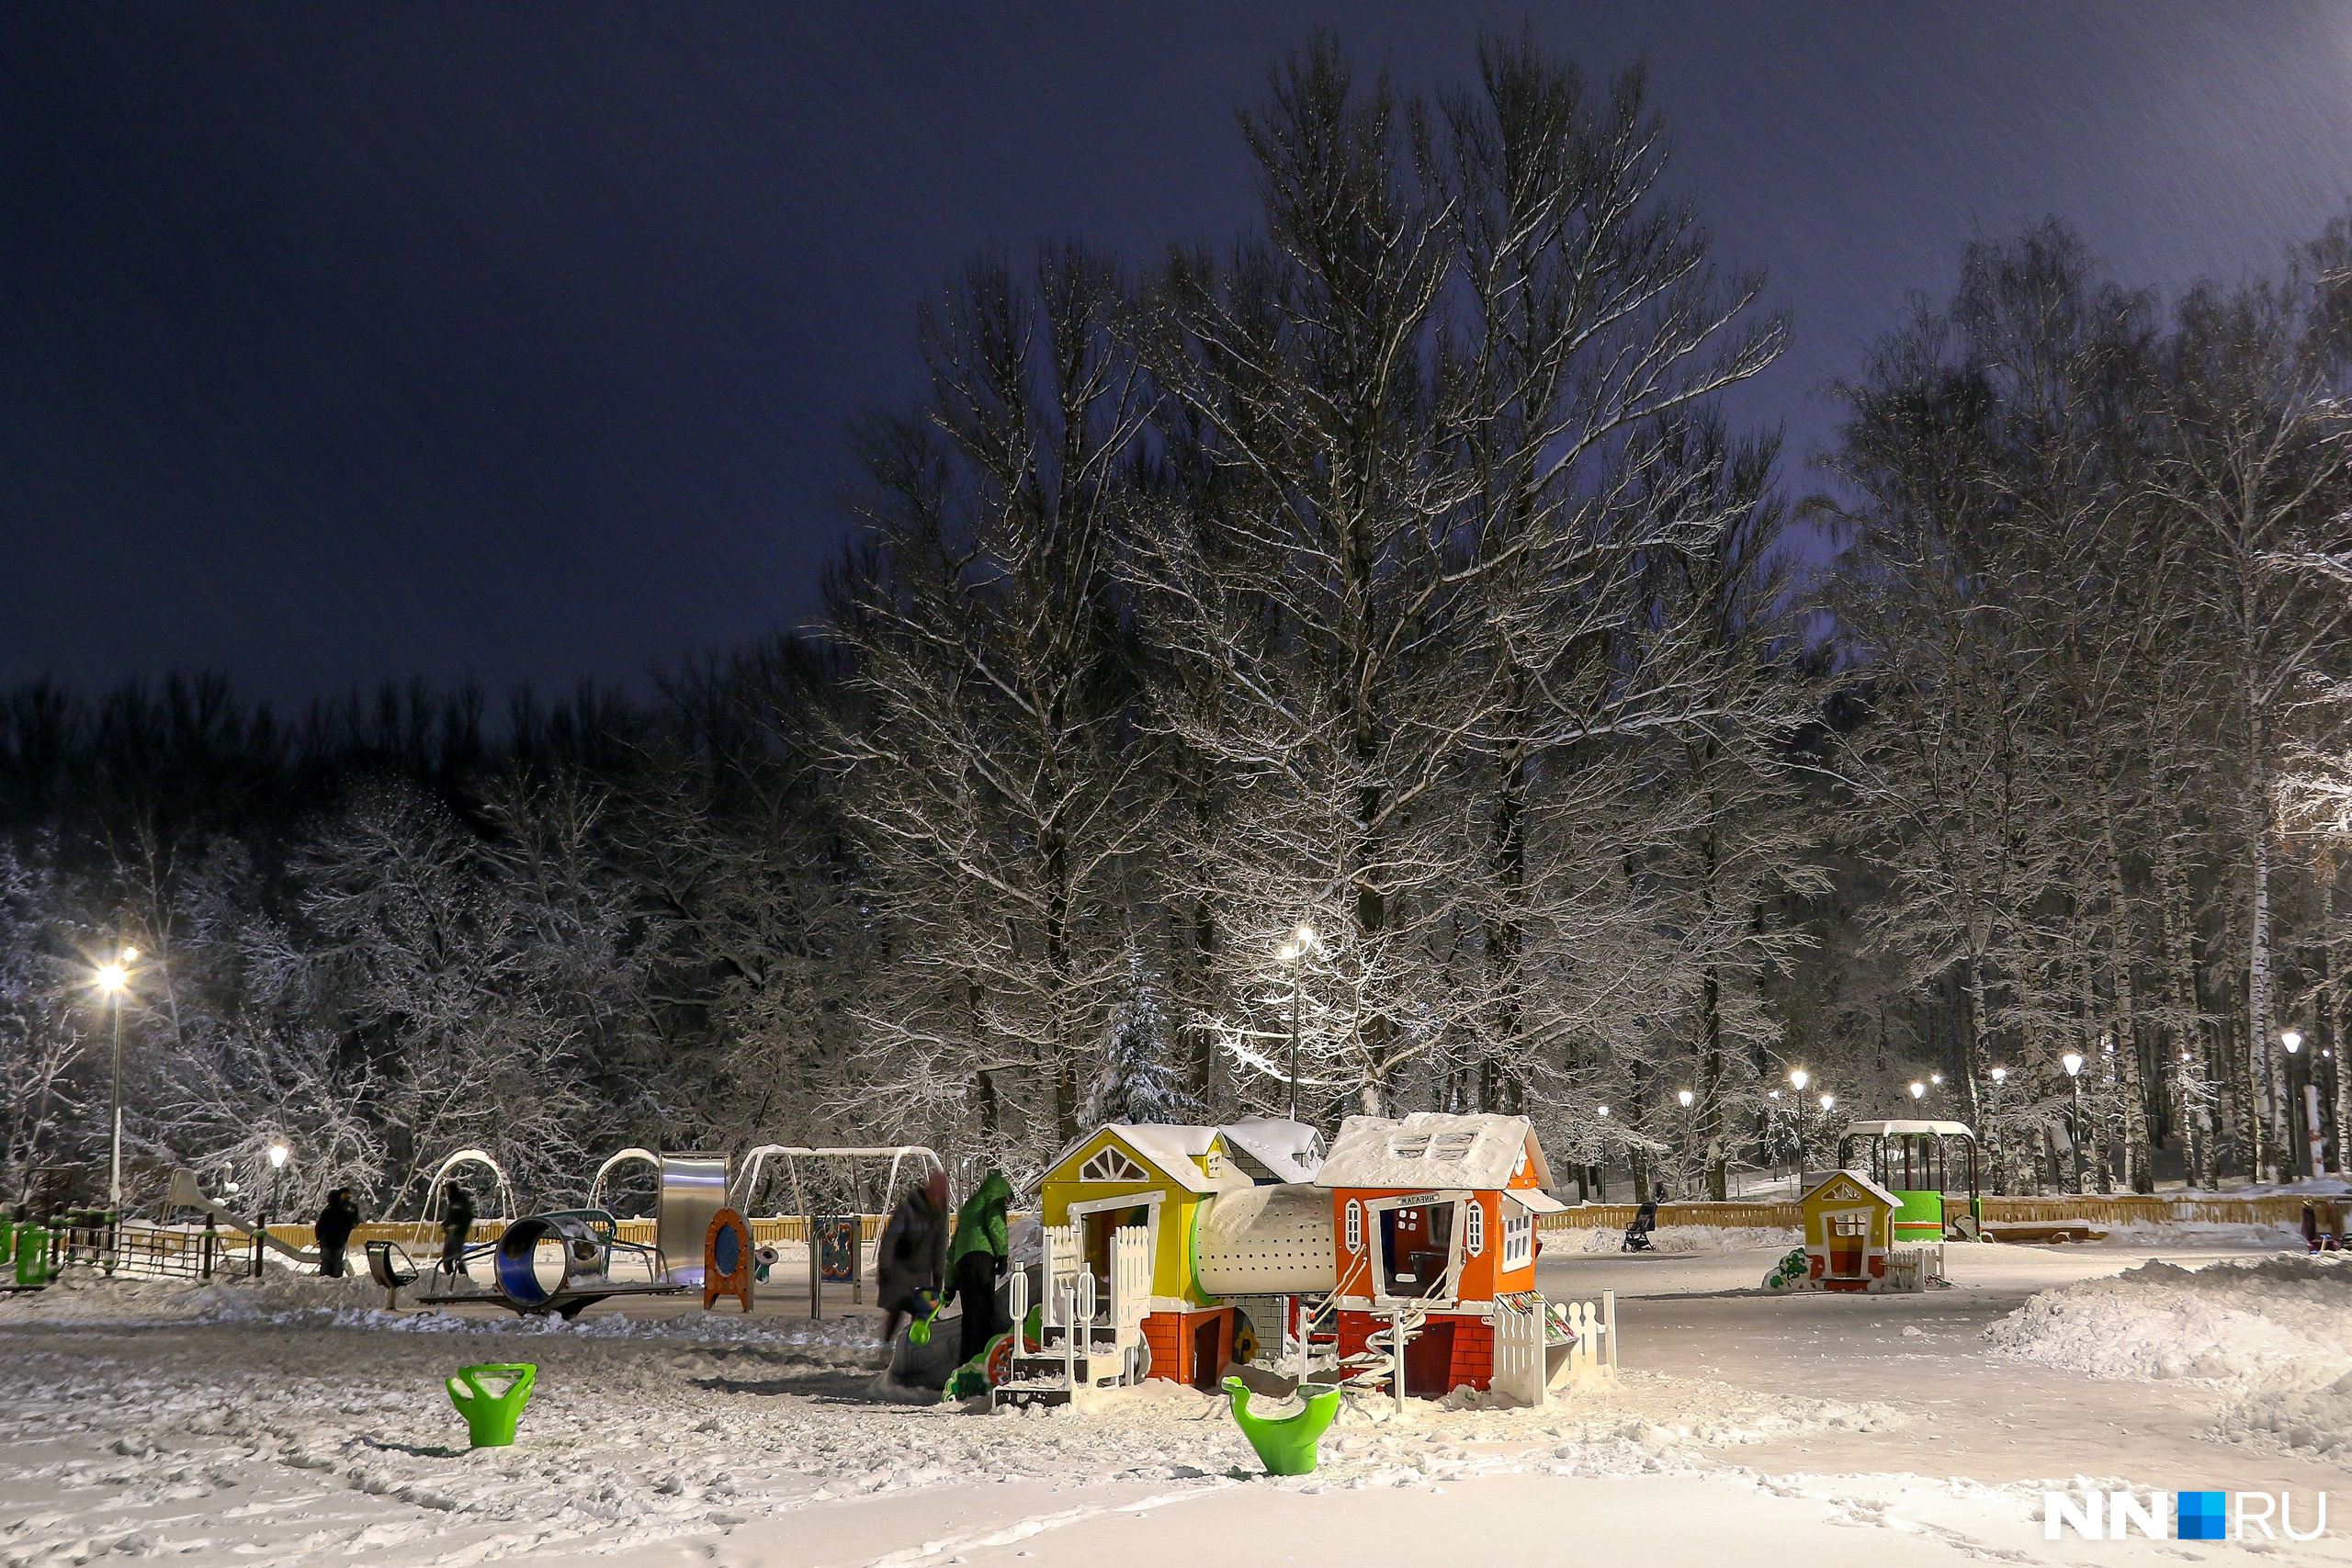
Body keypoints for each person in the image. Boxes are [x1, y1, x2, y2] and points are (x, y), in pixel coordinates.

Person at [874, 1171, 951, 1350]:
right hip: (898, 1269)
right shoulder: (908, 1208)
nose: (938, 1202)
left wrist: (939, 1275)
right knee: (896, 1308)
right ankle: (886, 1346)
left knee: (923, 1311)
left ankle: (915, 1349)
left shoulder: (940, 1212)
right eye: (936, 1198)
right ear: (929, 1193)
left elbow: (940, 1245)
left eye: (942, 1199)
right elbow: (890, 1239)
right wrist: (884, 1267)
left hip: (921, 1272)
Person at [946, 1169, 1014, 1367]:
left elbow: (953, 1247)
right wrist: (1002, 1255)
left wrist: (950, 1285)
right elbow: (996, 1225)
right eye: (1009, 1199)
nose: (1008, 1204)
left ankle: (964, 1363)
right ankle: (980, 1362)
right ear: (1004, 1192)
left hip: (962, 1263)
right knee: (983, 1313)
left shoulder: (970, 1206)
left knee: (969, 1316)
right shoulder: (993, 1200)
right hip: (981, 1259)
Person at [313, 1187, 362, 1278]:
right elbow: (349, 1226)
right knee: (337, 1261)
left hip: (326, 1242)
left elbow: (319, 1227)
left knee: (326, 1261)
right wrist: (344, 1238)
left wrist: (319, 1238)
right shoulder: (345, 1212)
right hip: (339, 1242)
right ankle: (337, 1278)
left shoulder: (326, 1211)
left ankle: (325, 1277)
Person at [439, 1182, 476, 1280]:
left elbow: (468, 1216)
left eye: (448, 1190)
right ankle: (450, 1279)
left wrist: (458, 1227)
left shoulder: (461, 1201)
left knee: (458, 1258)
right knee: (446, 1259)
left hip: (458, 1234)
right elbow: (451, 1217)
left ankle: (464, 1279)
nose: (446, 1192)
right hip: (449, 1234)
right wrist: (445, 1225)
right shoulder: (452, 1202)